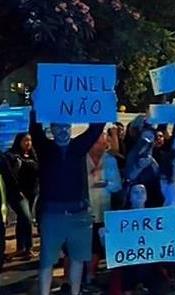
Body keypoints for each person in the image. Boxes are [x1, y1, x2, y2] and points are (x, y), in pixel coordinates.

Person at [29, 109, 105, 295]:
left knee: (78, 258)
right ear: (52, 130)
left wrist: (106, 100)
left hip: (78, 215)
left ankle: (75, 292)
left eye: (66, 127)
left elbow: (96, 128)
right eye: (58, 128)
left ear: (71, 129)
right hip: (52, 215)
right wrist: (36, 105)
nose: (63, 131)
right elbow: (34, 127)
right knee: (46, 260)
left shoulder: (78, 147)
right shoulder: (44, 147)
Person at [85, 132, 122, 287]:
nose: (100, 146)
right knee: (87, 246)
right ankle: (86, 276)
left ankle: (92, 275)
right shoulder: (81, 159)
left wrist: (106, 183)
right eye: (96, 143)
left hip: (104, 210)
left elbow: (117, 185)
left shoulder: (110, 160)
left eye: (102, 143)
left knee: (98, 246)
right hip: (84, 211)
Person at [5, 133, 39, 260]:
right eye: (25, 140)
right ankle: (27, 247)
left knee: (23, 219)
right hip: (18, 193)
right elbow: (10, 174)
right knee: (26, 217)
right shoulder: (12, 156)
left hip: (31, 192)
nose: (28, 143)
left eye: (30, 140)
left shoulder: (33, 155)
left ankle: (22, 247)